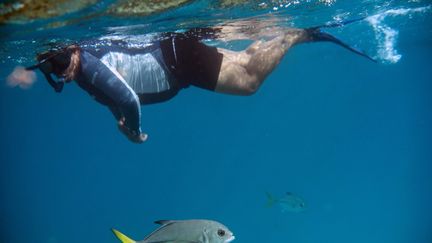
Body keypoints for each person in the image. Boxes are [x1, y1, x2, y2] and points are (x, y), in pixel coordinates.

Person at [9, 19, 375, 143]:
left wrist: (133, 132)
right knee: (247, 66)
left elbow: (129, 99)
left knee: (249, 82)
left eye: (58, 62)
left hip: (176, 61)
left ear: (68, 48)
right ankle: (280, 39)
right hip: (174, 59)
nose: (60, 71)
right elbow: (114, 91)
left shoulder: (85, 65)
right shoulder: (83, 69)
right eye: (51, 69)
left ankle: (293, 34)